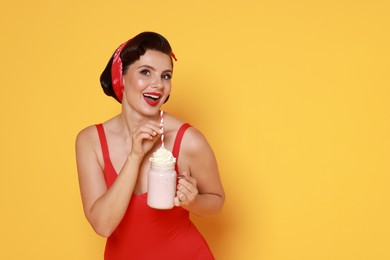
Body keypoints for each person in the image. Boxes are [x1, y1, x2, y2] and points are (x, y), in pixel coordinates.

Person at [75, 31, 225, 259]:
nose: (158, 85)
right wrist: (135, 156)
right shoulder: (90, 141)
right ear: (121, 77)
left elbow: (216, 201)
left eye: (166, 76)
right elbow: (102, 225)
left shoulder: (187, 139)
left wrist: (192, 200)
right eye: (146, 72)